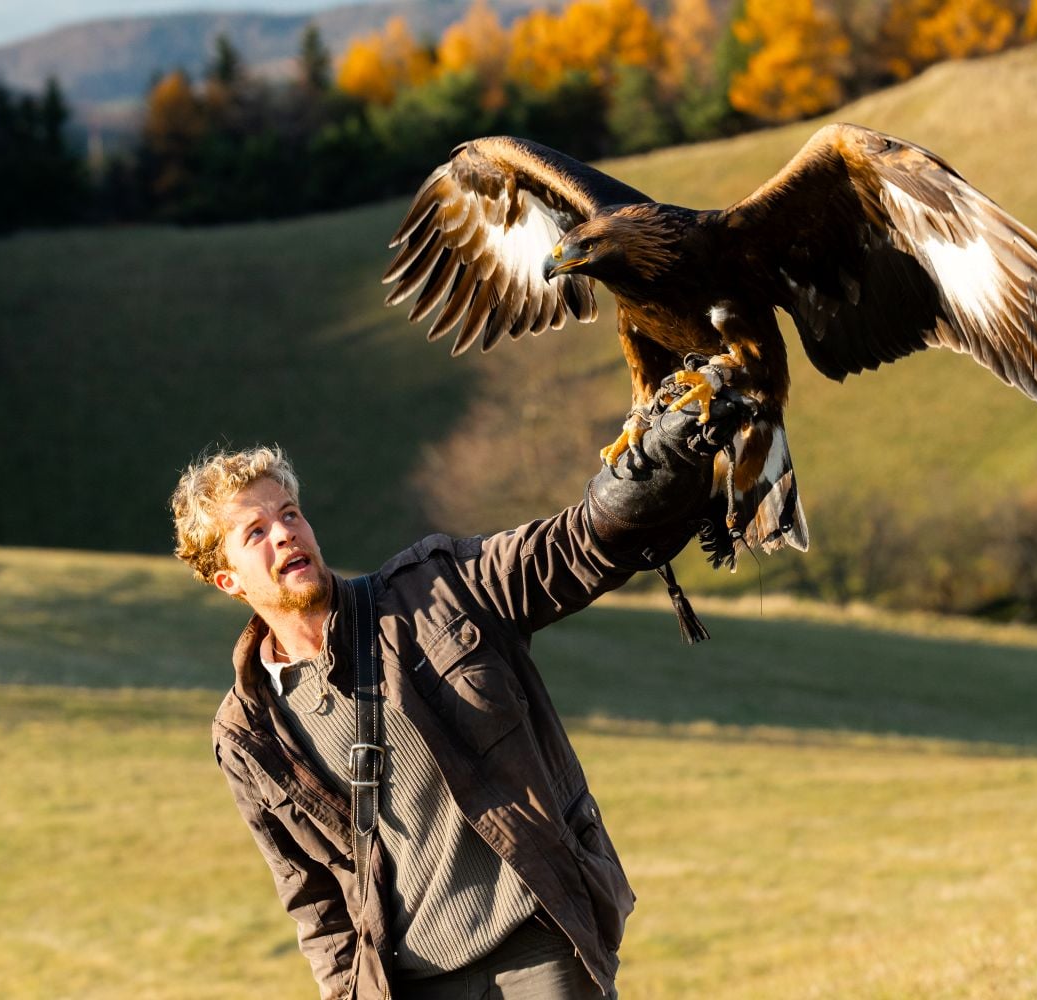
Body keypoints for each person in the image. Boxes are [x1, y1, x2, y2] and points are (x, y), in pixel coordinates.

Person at [170, 393, 743, 999]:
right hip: (413, 983)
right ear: (226, 579)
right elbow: (313, 899)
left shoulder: (431, 590)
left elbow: (564, 552)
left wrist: (636, 491)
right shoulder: (248, 732)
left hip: (536, 949)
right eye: (255, 531)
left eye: (290, 514)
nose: (284, 534)